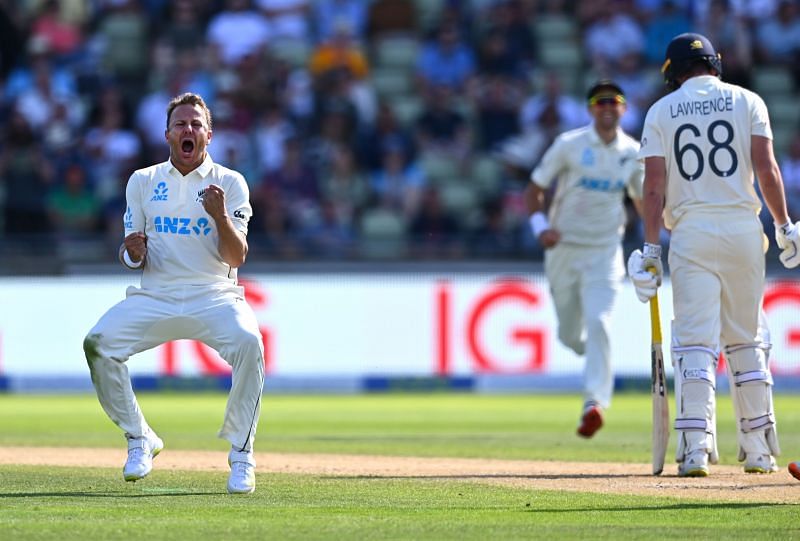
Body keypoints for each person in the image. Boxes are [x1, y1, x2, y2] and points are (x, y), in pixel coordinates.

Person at [627, 33, 800, 477]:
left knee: (695, 343)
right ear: (713, 64)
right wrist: (784, 226)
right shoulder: (748, 100)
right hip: (744, 229)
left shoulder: (661, 111)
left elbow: (653, 188)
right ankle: (759, 448)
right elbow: (767, 168)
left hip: (692, 232)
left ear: (673, 72)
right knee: (746, 339)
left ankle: (695, 450)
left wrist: (649, 248)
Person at [83, 93, 264, 494]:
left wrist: (218, 215)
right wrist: (131, 254)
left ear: (209, 135)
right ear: (167, 134)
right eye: (181, 124)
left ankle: (241, 455)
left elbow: (237, 255)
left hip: (214, 293)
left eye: (196, 124)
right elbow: (133, 254)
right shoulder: (143, 181)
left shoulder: (230, 183)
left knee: (250, 342)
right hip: (157, 294)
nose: (189, 130)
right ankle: (139, 437)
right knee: (98, 344)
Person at [524, 80, 645, 438]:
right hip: (564, 248)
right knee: (570, 334)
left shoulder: (633, 152)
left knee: (600, 322)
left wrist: (663, 234)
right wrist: (540, 227)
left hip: (605, 251)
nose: (607, 107)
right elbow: (534, 189)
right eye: (600, 101)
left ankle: (594, 403)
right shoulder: (569, 145)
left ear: (624, 108)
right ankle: (582, 350)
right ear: (591, 108)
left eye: (614, 101)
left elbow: (643, 200)